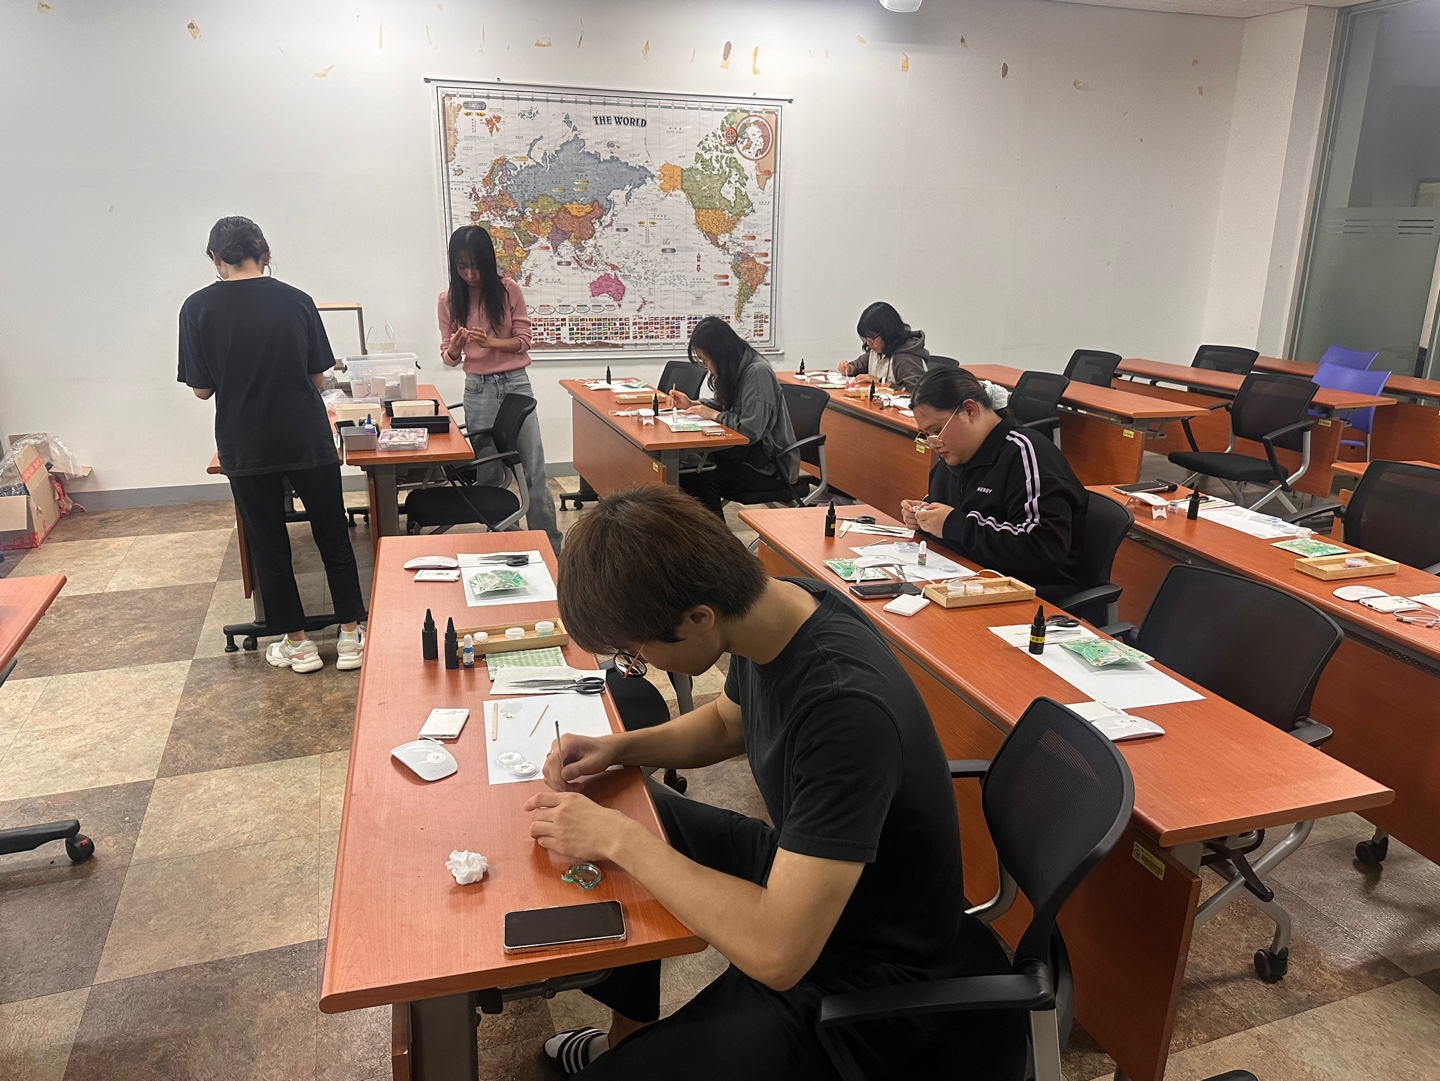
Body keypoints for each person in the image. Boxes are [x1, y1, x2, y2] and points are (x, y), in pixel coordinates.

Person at [526, 486, 1018, 1079]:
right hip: (811, 878)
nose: (642, 666)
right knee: (621, 799)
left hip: (866, 966)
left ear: (698, 618)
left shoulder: (843, 709)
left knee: (624, 834)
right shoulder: (779, 611)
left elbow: (778, 954)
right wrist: (617, 748)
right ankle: (627, 1035)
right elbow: (726, 723)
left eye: (637, 653)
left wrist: (618, 840)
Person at [178, 216, 365, 674]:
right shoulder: (298, 301)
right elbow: (317, 377)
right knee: (332, 535)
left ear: (215, 258)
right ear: (265, 254)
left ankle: (298, 644)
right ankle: (350, 636)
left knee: (269, 544)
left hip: (246, 442)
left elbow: (201, 389)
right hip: (306, 436)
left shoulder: (196, 308)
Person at [901, 366, 1087, 601]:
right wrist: (923, 518)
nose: (933, 443)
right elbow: (951, 512)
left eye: (937, 431)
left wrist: (954, 525)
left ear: (970, 410)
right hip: (966, 580)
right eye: (926, 435)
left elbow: (1043, 548)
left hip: (1026, 594)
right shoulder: (951, 460)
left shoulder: (1026, 454)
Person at [438, 225, 562, 552]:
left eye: (475, 265)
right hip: (478, 389)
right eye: (462, 266)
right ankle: (506, 542)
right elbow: (448, 357)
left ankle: (550, 547)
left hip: (515, 385)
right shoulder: (448, 300)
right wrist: (456, 347)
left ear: (488, 261)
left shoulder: (508, 291)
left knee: (532, 469)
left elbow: (524, 341)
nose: (469, 274)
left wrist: (490, 342)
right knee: (489, 473)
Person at [668, 316, 798, 517]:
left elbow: (750, 430)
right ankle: (699, 534)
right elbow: (724, 406)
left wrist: (713, 414)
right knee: (687, 469)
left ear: (719, 354)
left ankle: (713, 537)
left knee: (697, 478)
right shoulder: (735, 367)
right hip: (742, 455)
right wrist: (693, 404)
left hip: (768, 467)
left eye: (705, 360)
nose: (706, 366)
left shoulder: (757, 373)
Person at [837, 301, 931, 392]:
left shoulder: (906, 357)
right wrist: (849, 368)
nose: (868, 343)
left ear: (887, 333)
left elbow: (915, 394)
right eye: (865, 338)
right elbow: (858, 366)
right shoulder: (877, 350)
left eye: (871, 338)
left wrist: (880, 382)